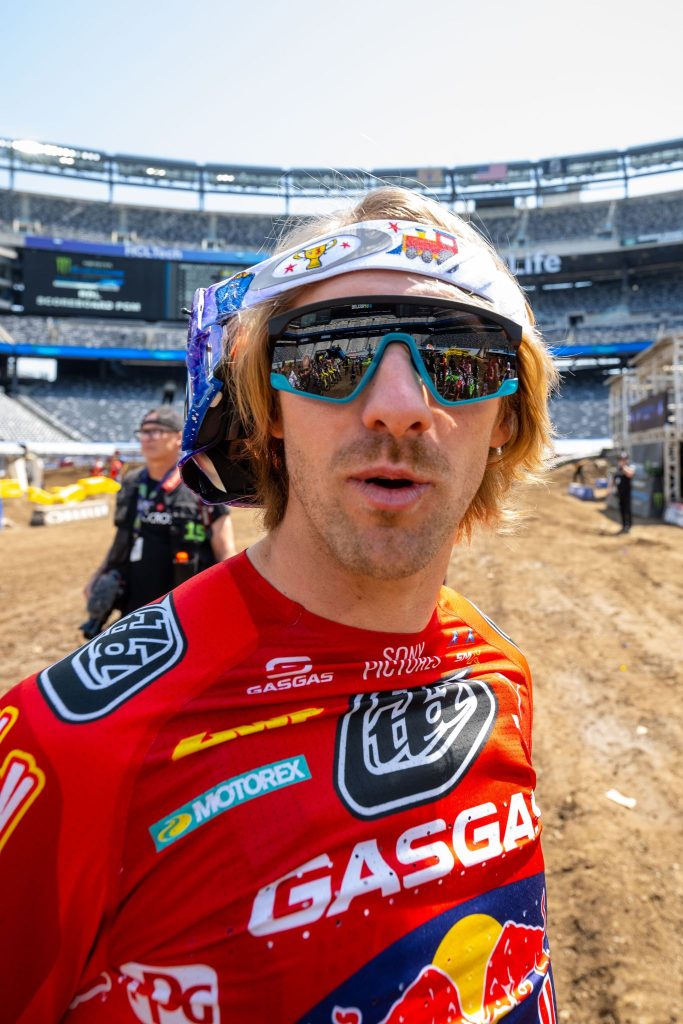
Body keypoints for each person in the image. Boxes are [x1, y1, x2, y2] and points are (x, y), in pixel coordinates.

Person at [0, 189, 559, 1024]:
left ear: (506, 418)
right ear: (266, 412)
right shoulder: (69, 749)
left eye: (462, 358)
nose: (401, 404)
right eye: (331, 354)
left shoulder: (500, 673)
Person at [82, 407, 236, 634]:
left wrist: (228, 600)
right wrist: (99, 574)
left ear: (179, 437)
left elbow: (225, 551)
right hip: (136, 609)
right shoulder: (132, 483)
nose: (148, 437)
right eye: (144, 431)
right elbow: (123, 537)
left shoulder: (202, 484)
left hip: (187, 609)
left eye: (156, 431)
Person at [612, 451, 635, 533]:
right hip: (620, 493)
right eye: (621, 459)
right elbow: (614, 480)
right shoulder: (617, 469)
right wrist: (611, 489)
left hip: (627, 493)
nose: (622, 461)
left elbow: (630, 474)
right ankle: (624, 525)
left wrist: (623, 467)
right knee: (622, 510)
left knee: (627, 509)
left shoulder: (629, 467)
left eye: (624, 459)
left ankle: (629, 526)